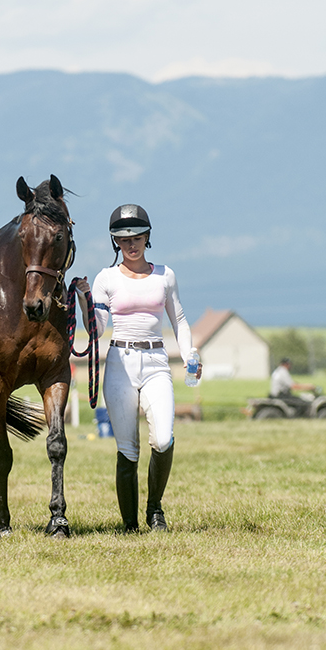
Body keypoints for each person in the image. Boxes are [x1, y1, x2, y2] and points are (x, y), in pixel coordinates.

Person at [76, 204, 200, 532]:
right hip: (120, 362)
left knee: (162, 438)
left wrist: (189, 353)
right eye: (123, 239)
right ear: (115, 241)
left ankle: (155, 508)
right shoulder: (106, 278)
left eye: (138, 237)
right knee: (127, 446)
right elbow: (97, 328)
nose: (131, 245)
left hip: (157, 360)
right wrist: (86, 301)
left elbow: (180, 320)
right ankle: (129, 524)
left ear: (148, 238)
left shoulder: (165, 276)